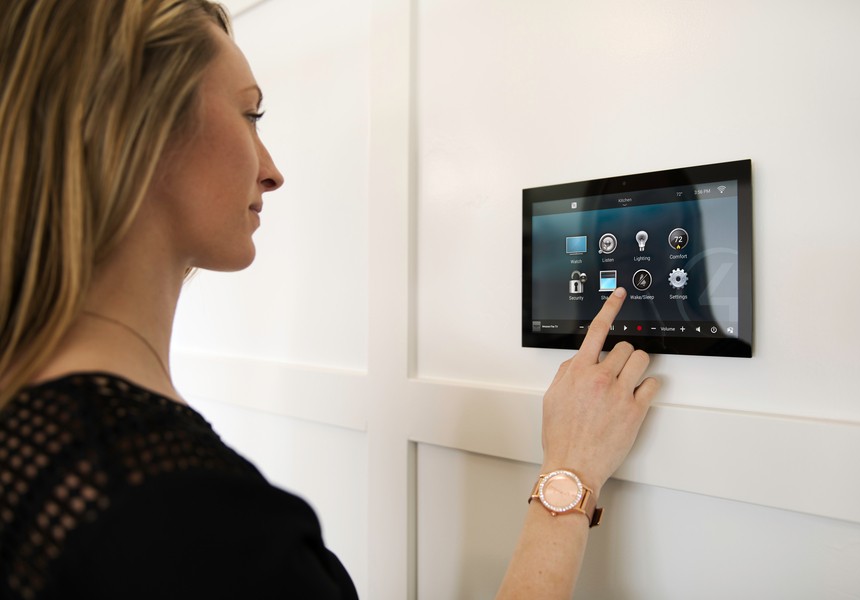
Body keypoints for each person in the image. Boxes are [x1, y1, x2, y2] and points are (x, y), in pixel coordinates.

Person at [0, 1, 658, 598]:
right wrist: (569, 475)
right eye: (248, 114)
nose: (272, 169)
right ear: (133, 131)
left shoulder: (38, 429)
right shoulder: (182, 514)